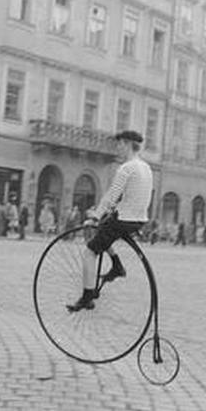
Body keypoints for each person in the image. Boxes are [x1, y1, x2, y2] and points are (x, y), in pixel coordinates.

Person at [66, 130, 152, 312]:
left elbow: (112, 196)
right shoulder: (146, 167)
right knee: (103, 230)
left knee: (90, 252)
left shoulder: (126, 168)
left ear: (128, 144)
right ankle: (116, 264)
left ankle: (87, 296)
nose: (118, 149)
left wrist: (95, 216)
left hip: (124, 219)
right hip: (139, 220)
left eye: (120, 144)